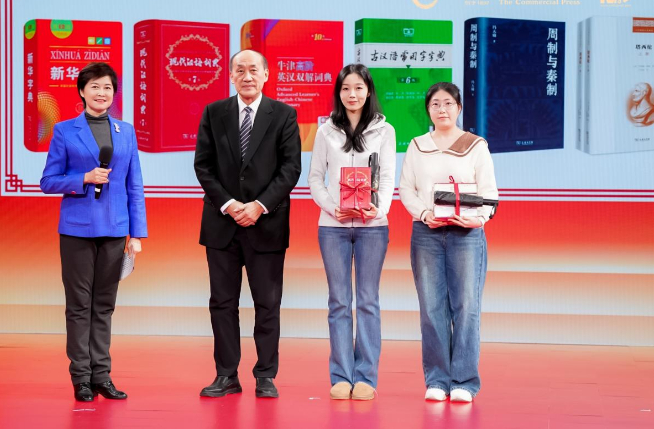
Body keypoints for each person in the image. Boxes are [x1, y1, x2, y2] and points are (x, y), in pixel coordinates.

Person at [194, 49, 301, 398]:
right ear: (230, 76)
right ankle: (226, 374)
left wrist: (258, 206)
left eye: (254, 69)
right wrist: (229, 204)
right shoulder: (214, 113)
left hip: (266, 224)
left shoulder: (283, 114)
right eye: (239, 70)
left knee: (267, 304)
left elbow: (290, 169)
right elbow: (203, 166)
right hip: (221, 225)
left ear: (266, 74)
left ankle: (265, 375)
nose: (247, 76)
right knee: (222, 303)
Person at [40, 62, 147, 402]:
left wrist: (136, 234)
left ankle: (102, 375)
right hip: (77, 230)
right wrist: (83, 178)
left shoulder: (125, 131)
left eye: (108, 88)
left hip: (115, 230)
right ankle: (81, 378)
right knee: (78, 306)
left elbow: (134, 185)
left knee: (104, 305)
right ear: (82, 91)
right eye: (95, 87)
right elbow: (48, 181)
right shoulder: (64, 130)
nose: (102, 93)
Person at [399, 82, 498, 403]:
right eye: (435, 104)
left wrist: (478, 218)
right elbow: (406, 189)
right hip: (426, 232)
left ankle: (464, 382)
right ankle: (438, 380)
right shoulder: (417, 145)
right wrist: (424, 213)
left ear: (459, 108)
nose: (442, 109)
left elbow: (489, 192)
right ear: (428, 110)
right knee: (431, 308)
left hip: (466, 234)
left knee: (466, 306)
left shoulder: (475, 145)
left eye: (448, 103)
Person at [308, 64, 396, 401]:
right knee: (339, 302)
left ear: (368, 91)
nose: (352, 94)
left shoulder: (384, 130)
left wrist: (379, 210)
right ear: (338, 93)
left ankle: (366, 377)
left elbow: (387, 178)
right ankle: (341, 375)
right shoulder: (325, 131)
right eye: (345, 88)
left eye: (358, 88)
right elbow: (315, 178)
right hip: (333, 227)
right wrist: (333, 208)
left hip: (373, 227)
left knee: (368, 301)